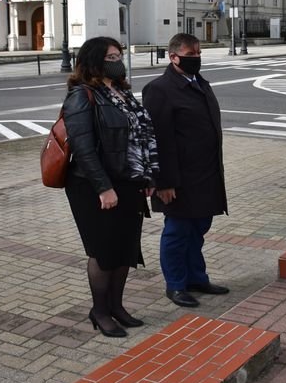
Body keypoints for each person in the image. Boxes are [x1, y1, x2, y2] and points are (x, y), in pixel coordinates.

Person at [62, 37, 158, 338]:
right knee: (104, 252)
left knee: (124, 249)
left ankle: (116, 307)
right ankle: (100, 312)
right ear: (94, 61)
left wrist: (147, 177)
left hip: (128, 181)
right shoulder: (82, 97)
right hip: (93, 186)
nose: (118, 60)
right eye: (112, 56)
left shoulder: (122, 93)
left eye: (119, 55)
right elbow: (84, 149)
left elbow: (141, 139)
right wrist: (104, 188)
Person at [142, 33, 230, 308]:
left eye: (198, 54)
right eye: (190, 55)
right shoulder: (159, 89)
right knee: (178, 231)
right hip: (177, 178)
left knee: (199, 229)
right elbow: (158, 139)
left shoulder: (200, 83)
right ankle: (176, 285)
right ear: (173, 57)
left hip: (205, 174)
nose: (196, 59)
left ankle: (196, 278)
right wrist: (164, 182)